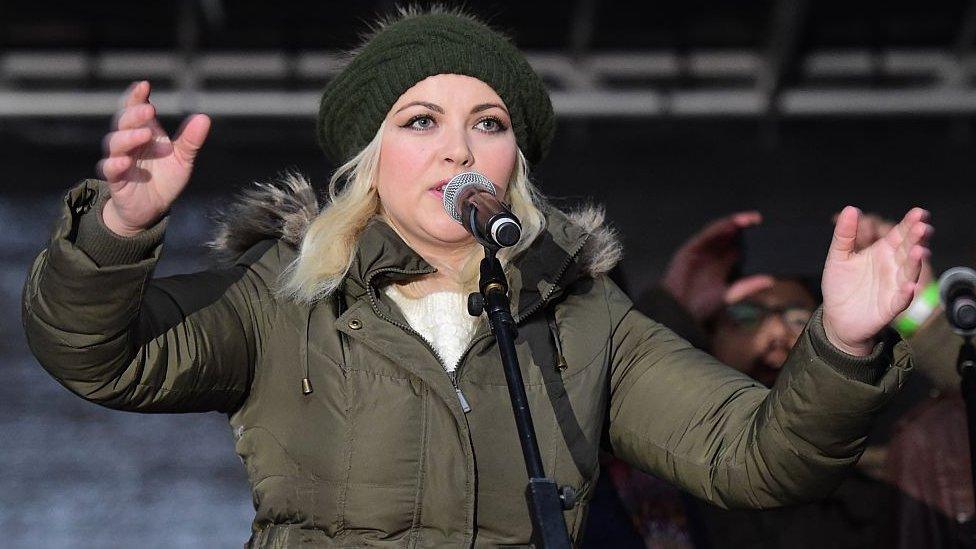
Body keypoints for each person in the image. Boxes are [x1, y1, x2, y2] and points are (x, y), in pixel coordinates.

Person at [22, 7, 933, 548]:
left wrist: (844, 342)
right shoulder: (286, 297)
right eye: (420, 120)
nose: (460, 145)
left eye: (488, 122)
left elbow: (758, 457)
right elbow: (99, 356)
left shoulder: (585, 317)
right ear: (370, 161)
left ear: (513, 165)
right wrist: (115, 230)